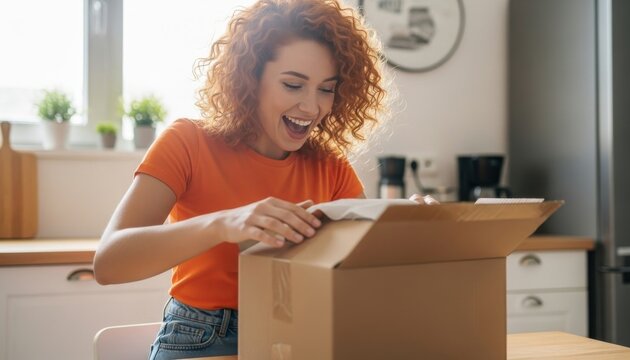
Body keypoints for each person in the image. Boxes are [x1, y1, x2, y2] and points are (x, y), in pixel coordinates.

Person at [93, 0, 435, 358]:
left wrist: (409, 228)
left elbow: (368, 269)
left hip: (300, 334)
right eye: (293, 85)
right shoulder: (188, 142)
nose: (311, 107)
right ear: (250, 77)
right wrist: (224, 223)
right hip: (202, 337)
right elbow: (109, 262)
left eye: (326, 89)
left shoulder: (330, 167)